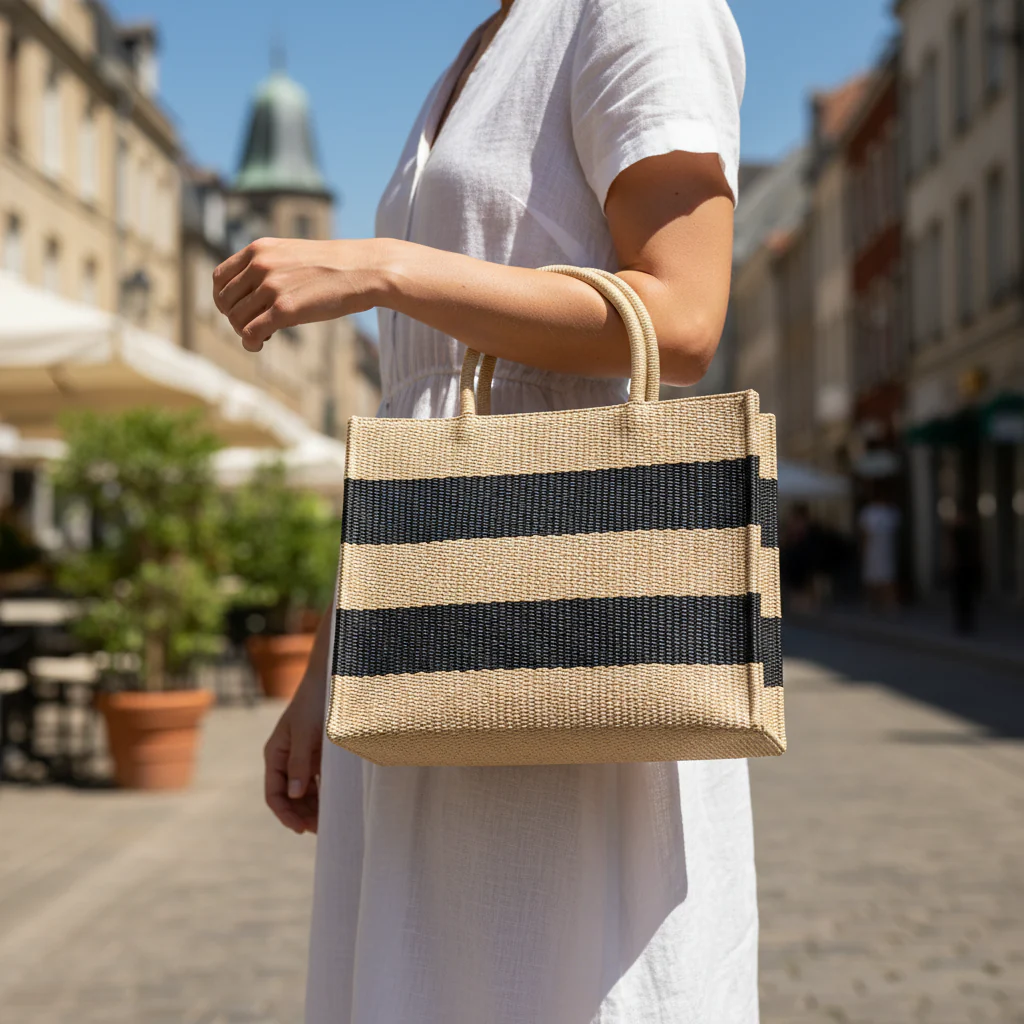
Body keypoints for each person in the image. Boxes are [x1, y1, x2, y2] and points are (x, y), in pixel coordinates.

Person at [213, 1, 750, 1020]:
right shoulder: (477, 52)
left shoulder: (634, 9)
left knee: (546, 967)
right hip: (422, 618)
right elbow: (412, 410)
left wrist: (384, 267)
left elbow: (680, 317)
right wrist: (333, 653)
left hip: (569, 607)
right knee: (426, 973)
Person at [857, 491, 901, 612]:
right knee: (873, 578)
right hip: (875, 551)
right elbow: (864, 533)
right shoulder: (870, 512)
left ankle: (888, 604)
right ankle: (876, 604)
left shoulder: (889, 512)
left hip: (884, 551)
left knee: (885, 577)